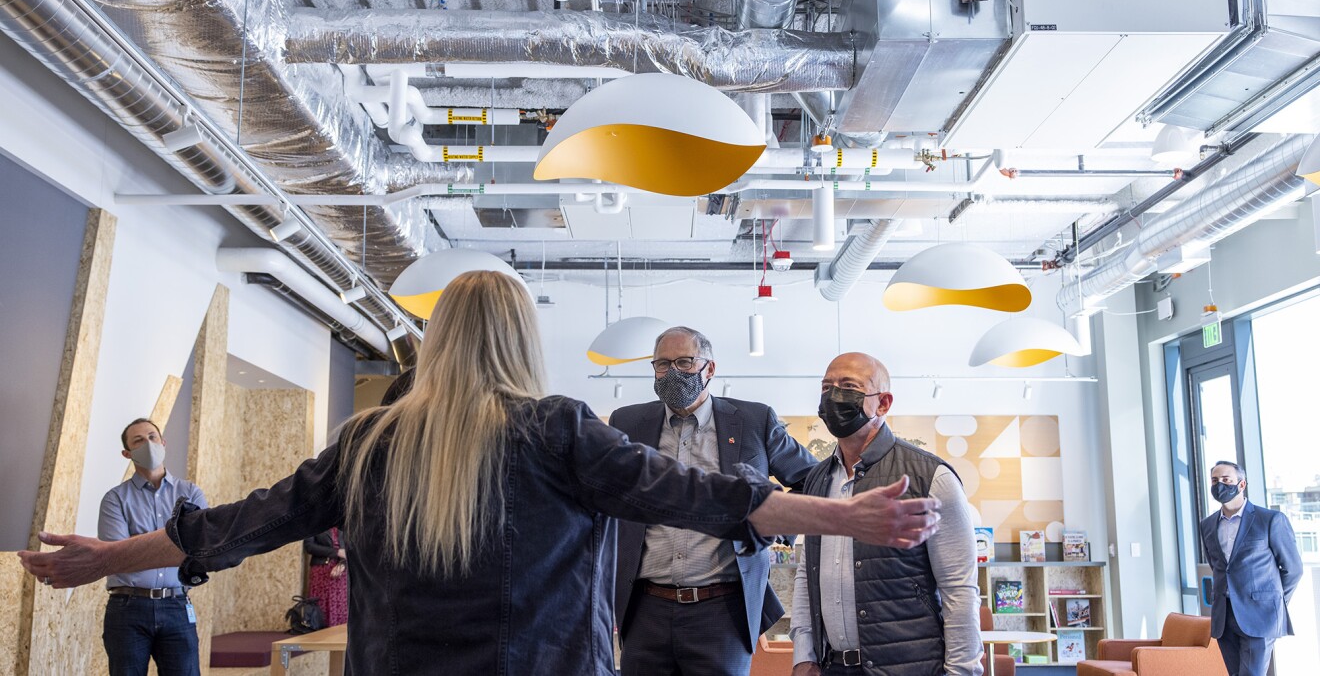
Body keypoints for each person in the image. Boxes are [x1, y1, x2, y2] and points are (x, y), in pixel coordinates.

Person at [19, 271, 941, 675]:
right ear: (517, 342)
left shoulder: (371, 441)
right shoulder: (556, 430)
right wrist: (841, 517)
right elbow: (696, 495)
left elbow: (238, 524)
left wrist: (105, 559)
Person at [612, 326, 817, 676]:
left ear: (710, 369)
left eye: (684, 361)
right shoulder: (628, 422)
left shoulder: (754, 421)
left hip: (722, 611)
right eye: (662, 364)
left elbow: (812, 480)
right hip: (645, 608)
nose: (672, 372)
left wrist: (774, 527)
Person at [791, 353, 982, 676]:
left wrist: (962, 671)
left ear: (883, 404)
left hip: (909, 666)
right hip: (832, 667)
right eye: (827, 387)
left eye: (849, 387)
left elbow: (959, 589)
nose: (834, 396)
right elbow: (807, 573)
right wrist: (804, 654)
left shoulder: (930, 477)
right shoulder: (817, 480)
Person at [98, 418, 208, 676]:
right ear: (128, 453)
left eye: (152, 437)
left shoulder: (190, 493)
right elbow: (118, 556)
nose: (148, 443)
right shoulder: (115, 499)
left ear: (163, 442)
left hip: (177, 605)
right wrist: (175, 544)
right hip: (128, 608)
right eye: (138, 440)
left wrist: (141, 547)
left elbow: (201, 548)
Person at [1199, 460, 1301, 676]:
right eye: (1215, 480)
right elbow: (1218, 566)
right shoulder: (1207, 525)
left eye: (1226, 480)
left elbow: (1293, 569)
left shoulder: (1270, 520)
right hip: (1224, 617)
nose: (1220, 485)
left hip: (1260, 615)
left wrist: (1274, 603)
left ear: (1242, 484)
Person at [303, 528, 348, 626]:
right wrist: (336, 552)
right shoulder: (314, 523)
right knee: (321, 604)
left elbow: (350, 548)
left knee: (340, 605)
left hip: (341, 571)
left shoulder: (345, 523)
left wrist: (343, 564)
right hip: (320, 570)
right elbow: (309, 546)